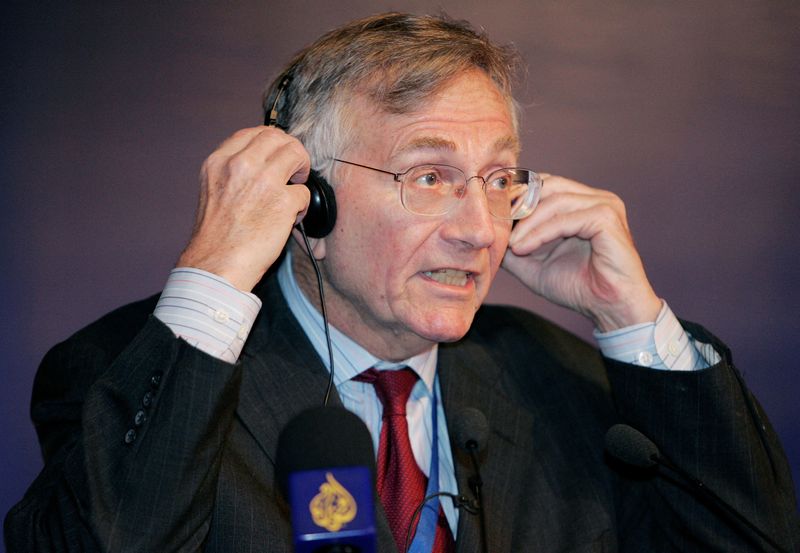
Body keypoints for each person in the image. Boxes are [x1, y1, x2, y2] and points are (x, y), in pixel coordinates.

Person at [4, 12, 799, 553]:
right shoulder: (126, 374)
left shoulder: (563, 379)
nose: (480, 229)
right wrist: (213, 277)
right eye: (428, 176)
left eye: (497, 179)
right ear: (307, 200)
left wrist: (631, 318)